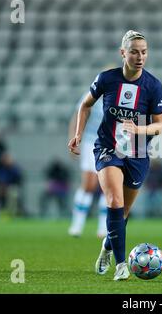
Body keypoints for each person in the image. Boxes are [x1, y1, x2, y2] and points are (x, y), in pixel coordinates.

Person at [68, 30, 162, 281]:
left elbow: (159, 126)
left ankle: (107, 248)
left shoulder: (153, 85)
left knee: (122, 214)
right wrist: (78, 134)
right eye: (134, 51)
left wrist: (138, 129)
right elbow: (85, 104)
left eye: (144, 52)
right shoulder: (106, 79)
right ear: (123, 53)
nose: (140, 56)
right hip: (107, 148)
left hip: (138, 153)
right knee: (113, 201)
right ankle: (122, 265)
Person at [68, 93, 108, 238]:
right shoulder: (92, 95)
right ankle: (77, 224)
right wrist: (74, 137)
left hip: (111, 144)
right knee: (89, 185)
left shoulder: (120, 97)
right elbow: (78, 115)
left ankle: (103, 227)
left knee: (107, 186)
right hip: (91, 142)